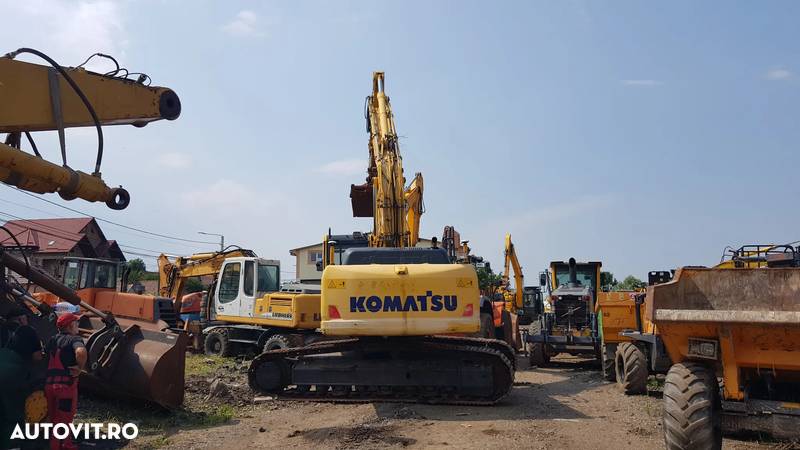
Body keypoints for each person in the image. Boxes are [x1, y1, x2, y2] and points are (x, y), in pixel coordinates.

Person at [0, 308, 43, 449]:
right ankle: (12, 446)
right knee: (13, 414)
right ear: (20, 319)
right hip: (13, 375)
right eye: (25, 318)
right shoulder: (28, 331)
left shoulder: (3, 329)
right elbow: (37, 356)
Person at [44, 313, 86, 450]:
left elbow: (44, 355)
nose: (78, 326)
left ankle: (66, 444)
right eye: (76, 323)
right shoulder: (74, 339)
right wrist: (80, 368)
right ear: (70, 325)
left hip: (49, 386)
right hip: (65, 387)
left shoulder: (52, 340)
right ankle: (58, 447)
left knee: (54, 417)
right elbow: (80, 352)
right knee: (64, 419)